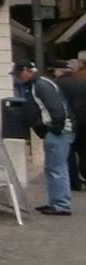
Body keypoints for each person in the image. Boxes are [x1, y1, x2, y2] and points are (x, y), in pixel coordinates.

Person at [26, 61, 74, 214]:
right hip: (60, 130)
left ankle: (61, 205)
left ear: (26, 71)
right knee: (54, 168)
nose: (16, 78)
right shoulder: (43, 83)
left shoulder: (41, 85)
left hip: (58, 131)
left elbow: (56, 109)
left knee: (57, 168)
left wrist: (54, 129)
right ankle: (56, 202)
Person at [58, 59, 86, 193]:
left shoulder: (58, 84)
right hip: (84, 122)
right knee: (84, 151)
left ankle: (74, 182)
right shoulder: (82, 82)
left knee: (68, 154)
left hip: (68, 122)